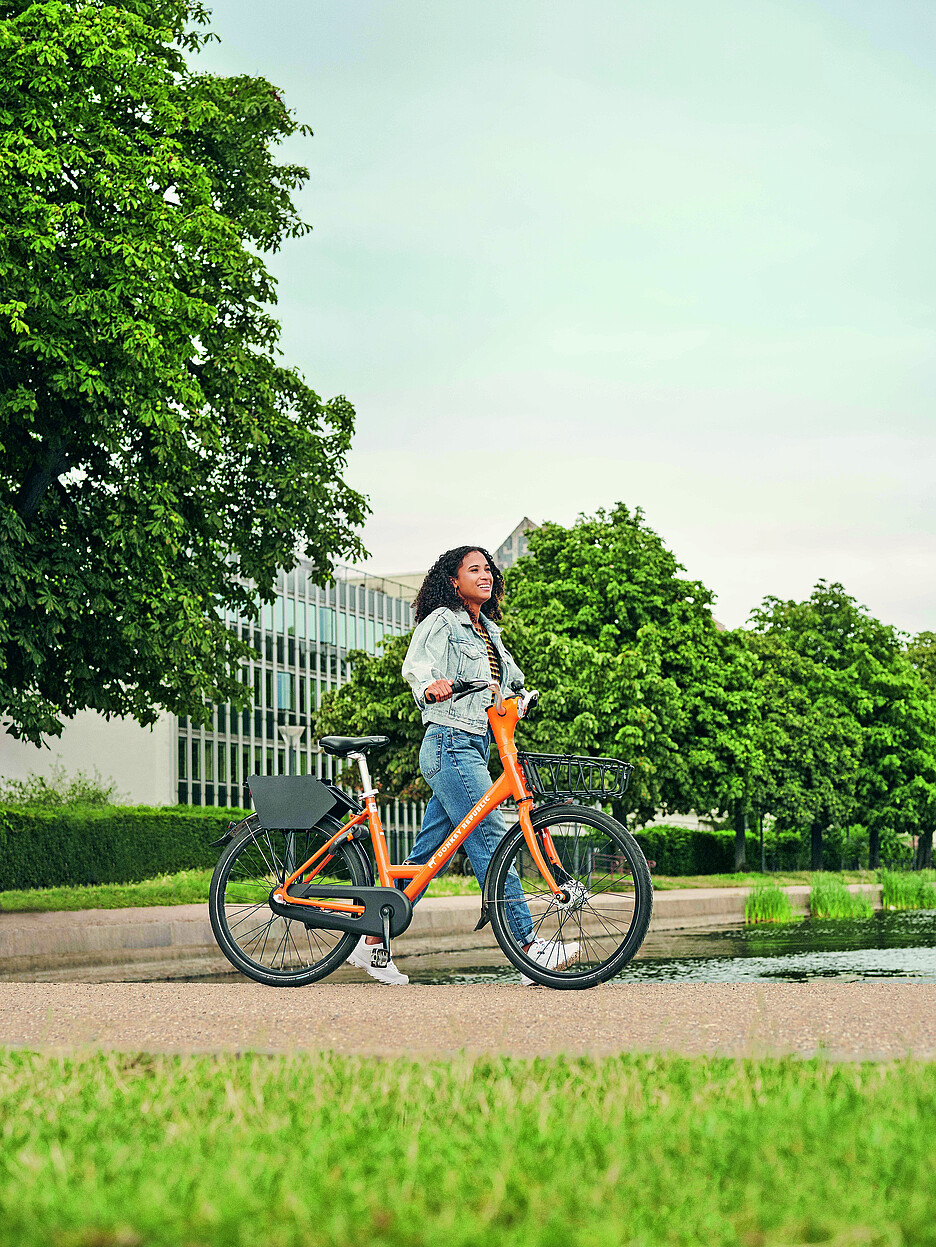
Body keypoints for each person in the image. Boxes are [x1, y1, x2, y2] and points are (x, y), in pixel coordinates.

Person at [346, 545, 579, 985]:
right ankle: (529, 950)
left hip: (475, 745)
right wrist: (430, 686)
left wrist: (520, 699)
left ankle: (371, 941)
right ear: (454, 581)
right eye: (474, 569)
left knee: (427, 858)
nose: (485, 575)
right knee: (491, 838)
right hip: (449, 743)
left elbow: (508, 681)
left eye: (488, 569)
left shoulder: (488, 629)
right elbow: (416, 664)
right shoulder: (443, 621)